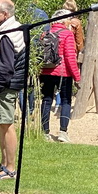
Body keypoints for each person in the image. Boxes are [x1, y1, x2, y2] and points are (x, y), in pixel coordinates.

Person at [0, 0, 27, 180]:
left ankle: (10, 168)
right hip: (7, 87)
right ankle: (3, 164)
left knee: (7, 126)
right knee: (2, 125)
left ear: (5, 14)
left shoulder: (7, 34)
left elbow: (7, 67)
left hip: (5, 88)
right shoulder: (12, 29)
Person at [39, 10, 81, 143]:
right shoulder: (67, 34)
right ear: (64, 21)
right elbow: (70, 57)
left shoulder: (44, 34)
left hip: (46, 71)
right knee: (65, 101)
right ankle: (63, 132)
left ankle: (44, 132)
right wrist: (77, 77)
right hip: (63, 72)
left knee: (46, 100)